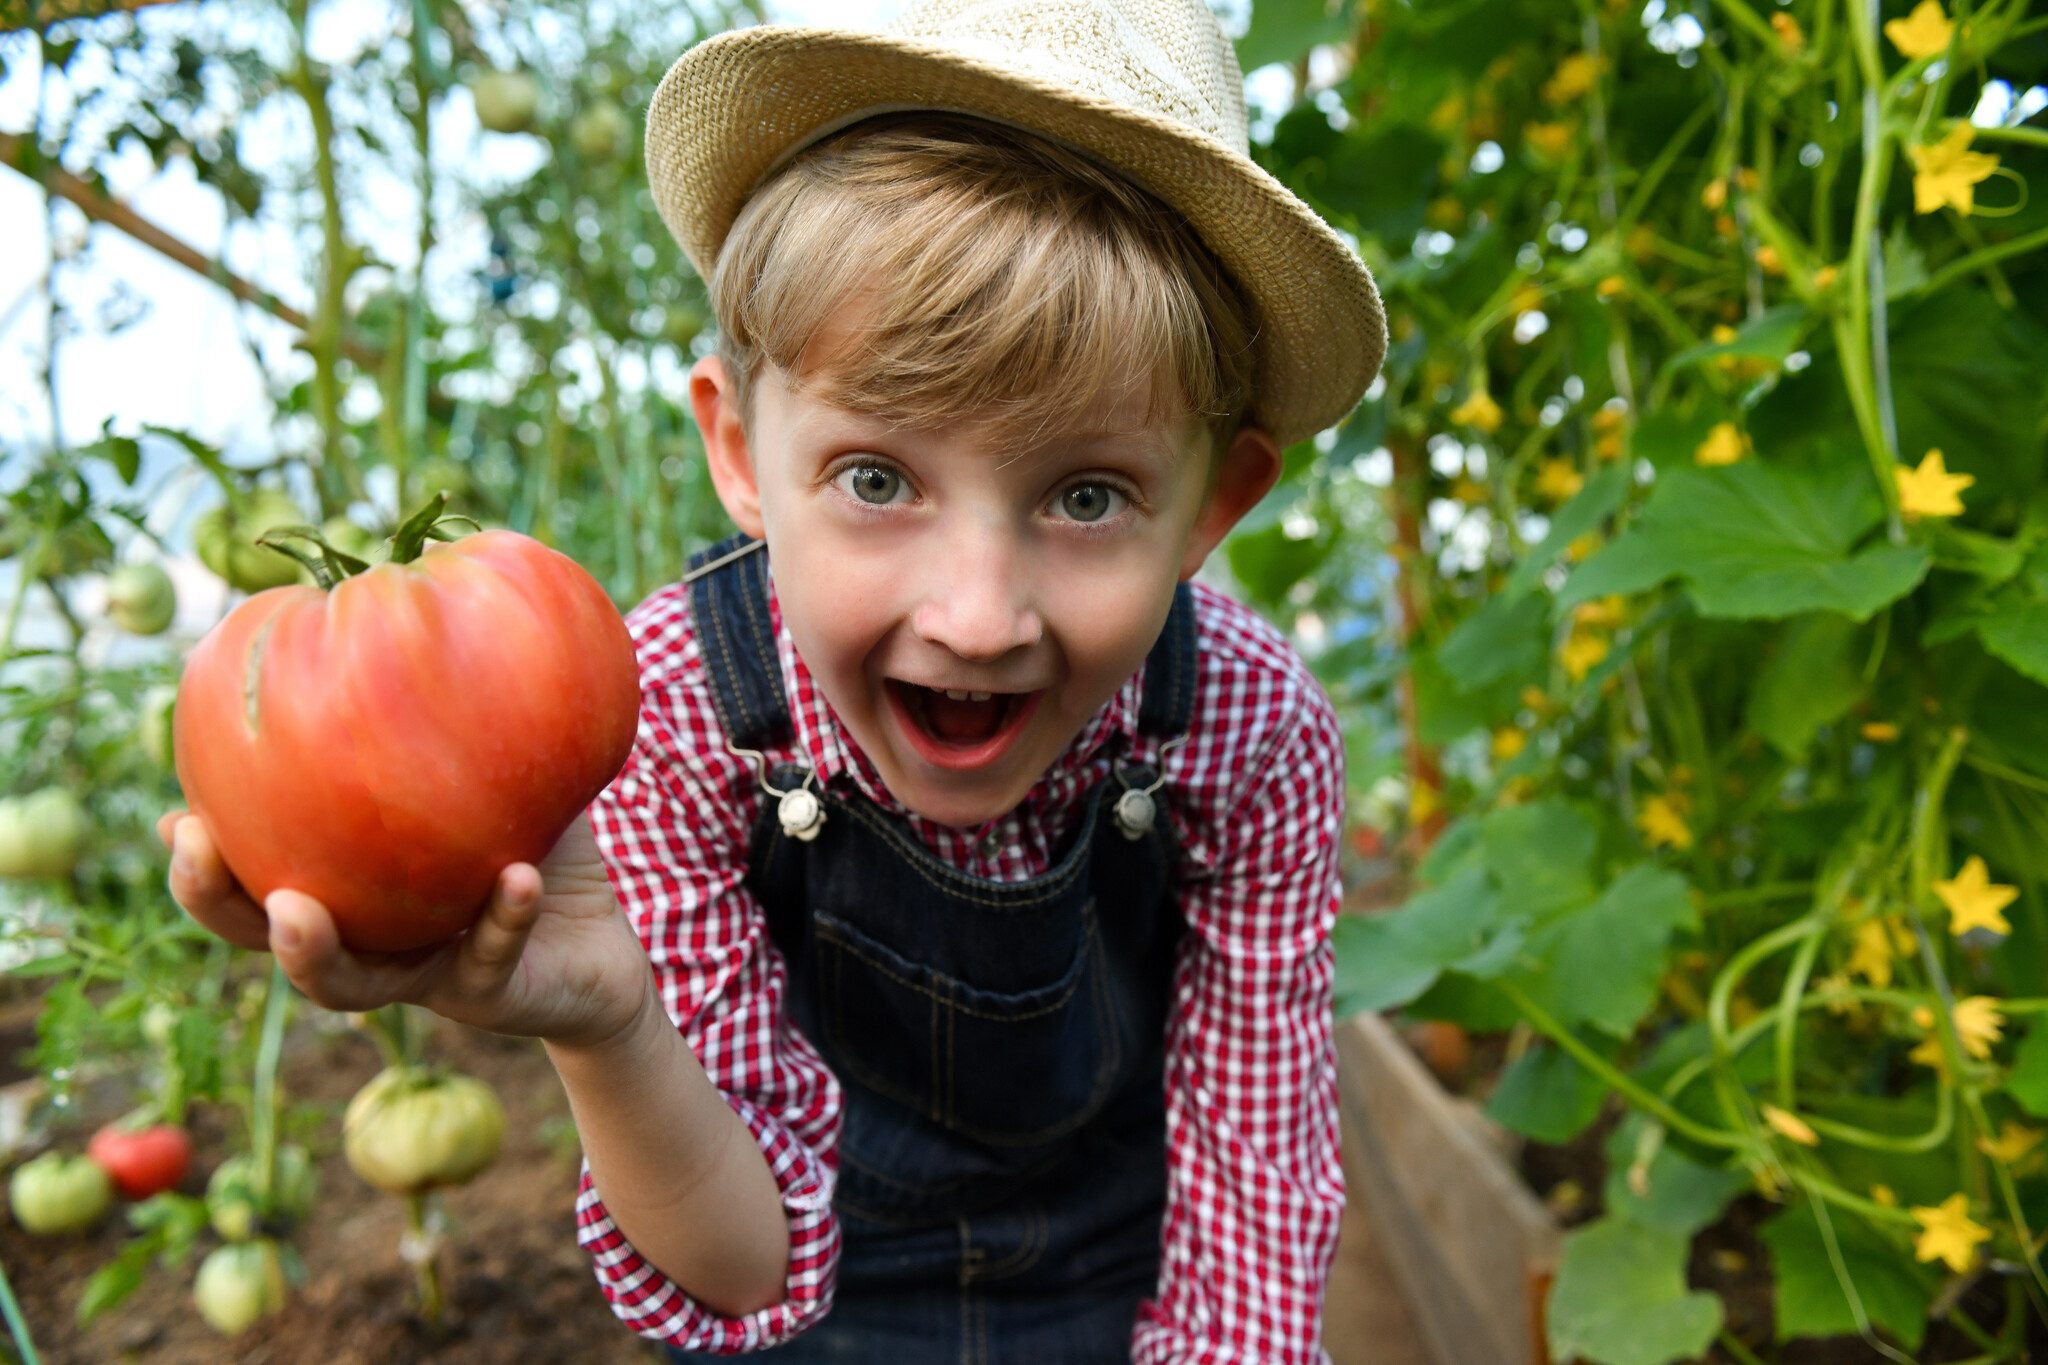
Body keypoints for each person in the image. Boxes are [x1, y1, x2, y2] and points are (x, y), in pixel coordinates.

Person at [158, 0, 1386, 1358]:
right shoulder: (670, 710)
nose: (977, 618)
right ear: (737, 450)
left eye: (1087, 494)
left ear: (1215, 503)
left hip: (1118, 1278)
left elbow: (1253, 1187)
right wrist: (608, 1021)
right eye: (876, 478)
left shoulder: (1249, 723)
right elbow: (742, 1271)